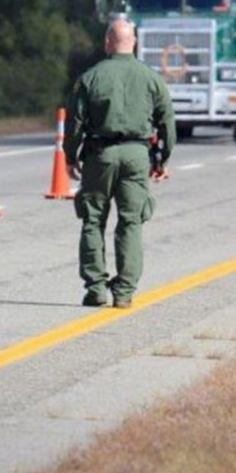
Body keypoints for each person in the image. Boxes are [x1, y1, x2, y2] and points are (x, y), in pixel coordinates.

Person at [63, 18, 175, 309]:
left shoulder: (90, 78)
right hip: (137, 156)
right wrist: (160, 160)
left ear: (107, 42)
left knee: (92, 220)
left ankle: (96, 288)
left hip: (99, 155)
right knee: (131, 221)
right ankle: (124, 291)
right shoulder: (152, 79)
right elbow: (167, 124)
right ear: (134, 42)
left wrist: (70, 155)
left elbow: (74, 124)